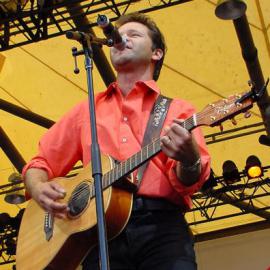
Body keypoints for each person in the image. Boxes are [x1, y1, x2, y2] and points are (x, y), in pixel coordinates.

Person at [22, 13, 211, 270]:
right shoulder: (86, 110)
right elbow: (40, 161)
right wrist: (38, 188)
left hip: (160, 227)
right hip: (97, 234)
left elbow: (188, 182)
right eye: (119, 34)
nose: (122, 38)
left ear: (156, 53)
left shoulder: (177, 110)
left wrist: (189, 160)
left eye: (134, 35)